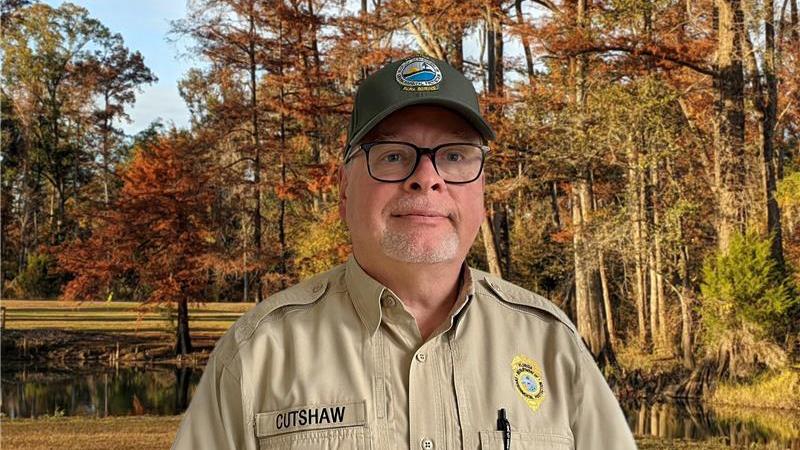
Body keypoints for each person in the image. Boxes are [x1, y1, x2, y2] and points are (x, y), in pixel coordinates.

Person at [171, 55, 637, 450]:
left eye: (454, 156)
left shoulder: (551, 345)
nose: (427, 178)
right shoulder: (259, 353)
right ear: (344, 190)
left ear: (482, 192)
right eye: (393, 155)